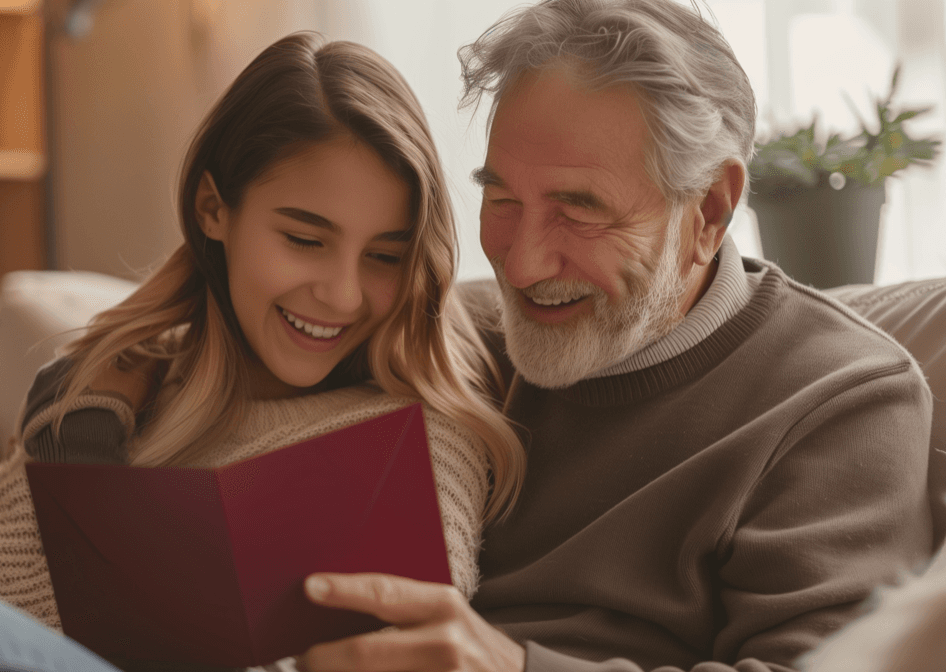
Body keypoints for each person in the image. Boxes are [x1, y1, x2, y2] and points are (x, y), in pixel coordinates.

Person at [0, 30, 526, 672]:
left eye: (384, 256)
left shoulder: (424, 433)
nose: (342, 294)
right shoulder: (120, 387)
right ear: (214, 209)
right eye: (305, 240)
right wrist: (87, 429)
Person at [292, 1, 940, 671]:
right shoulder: (457, 340)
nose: (520, 265)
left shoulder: (843, 400)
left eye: (579, 211)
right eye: (503, 200)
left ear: (710, 211)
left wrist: (515, 669)